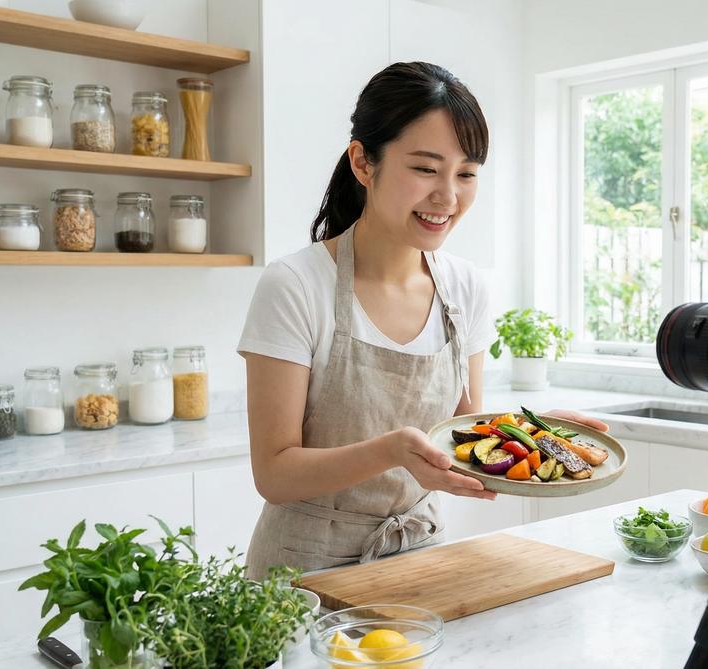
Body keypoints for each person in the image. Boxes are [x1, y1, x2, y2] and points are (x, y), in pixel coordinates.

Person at [236, 62, 606, 579]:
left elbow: (465, 433)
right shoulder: (295, 286)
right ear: (363, 163)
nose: (448, 197)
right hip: (301, 574)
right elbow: (274, 473)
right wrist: (392, 451)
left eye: (467, 173)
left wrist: (542, 432)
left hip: (421, 558)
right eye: (426, 169)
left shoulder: (465, 287)